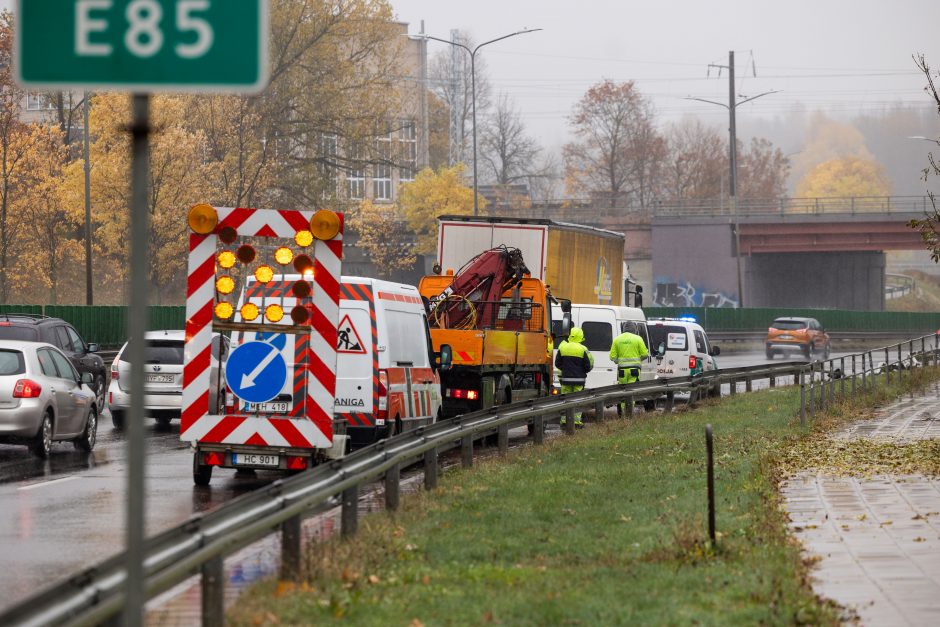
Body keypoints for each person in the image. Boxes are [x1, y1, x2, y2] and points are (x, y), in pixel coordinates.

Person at [554, 326, 593, 427]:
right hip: (579, 380)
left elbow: (557, 363)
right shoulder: (583, 349)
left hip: (565, 380)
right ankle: (575, 422)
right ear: (581, 337)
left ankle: (564, 421)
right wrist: (582, 371)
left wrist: (566, 369)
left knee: (565, 401)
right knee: (577, 401)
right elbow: (589, 365)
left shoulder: (563, 347)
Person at [609, 327, 649, 415]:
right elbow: (645, 354)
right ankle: (629, 413)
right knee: (631, 391)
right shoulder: (638, 339)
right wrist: (639, 360)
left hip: (622, 371)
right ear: (634, 329)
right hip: (634, 370)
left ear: (624, 329)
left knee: (623, 391)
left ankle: (623, 414)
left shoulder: (617, 339)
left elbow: (612, 357)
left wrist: (618, 361)